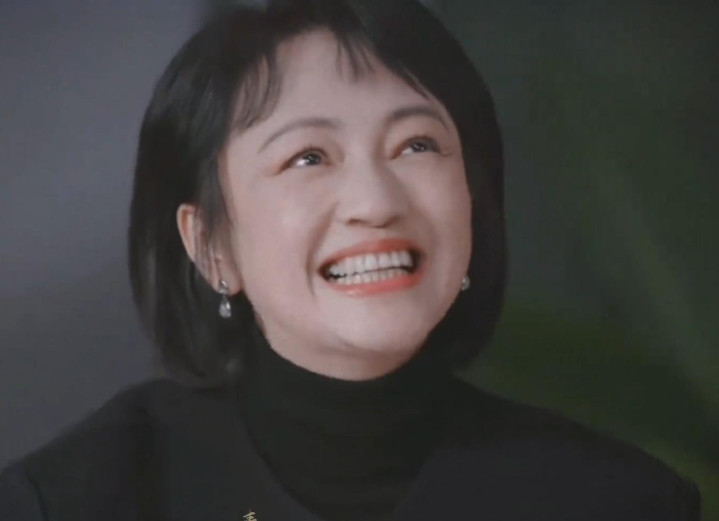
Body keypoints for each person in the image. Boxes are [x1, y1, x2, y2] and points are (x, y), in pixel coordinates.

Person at [0, 0, 701, 519]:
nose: (375, 201)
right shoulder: (71, 501)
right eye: (308, 156)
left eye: (416, 145)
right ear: (210, 243)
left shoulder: (618, 501)